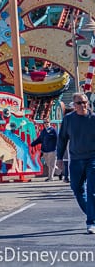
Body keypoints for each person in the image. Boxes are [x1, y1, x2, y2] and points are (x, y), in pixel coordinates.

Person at [56, 92, 95, 233]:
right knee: (77, 189)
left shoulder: (93, 118)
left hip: (92, 159)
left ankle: (91, 222)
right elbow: (62, 139)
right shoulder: (68, 120)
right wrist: (59, 158)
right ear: (74, 105)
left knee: (92, 191)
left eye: (85, 102)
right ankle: (93, 214)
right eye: (79, 103)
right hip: (76, 160)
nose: (83, 105)